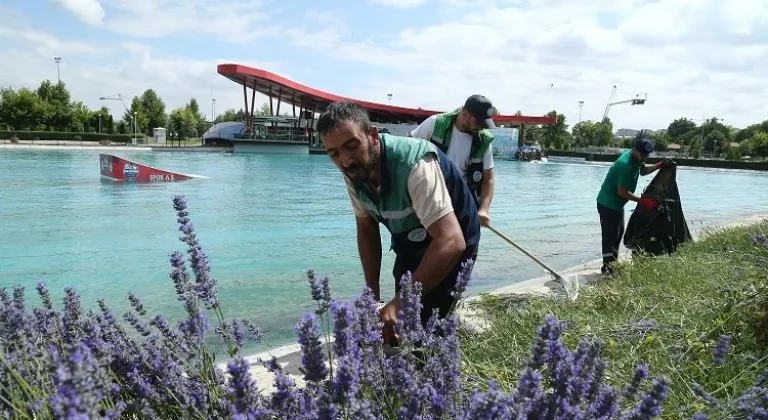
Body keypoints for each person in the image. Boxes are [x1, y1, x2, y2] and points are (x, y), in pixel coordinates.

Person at [316, 101, 480, 342]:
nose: (346, 160)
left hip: (454, 237)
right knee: (393, 325)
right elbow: (366, 229)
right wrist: (372, 297)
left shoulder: (415, 165)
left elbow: (451, 241)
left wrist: (401, 302)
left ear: (372, 135)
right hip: (410, 238)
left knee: (426, 325)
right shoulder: (353, 171)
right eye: (334, 154)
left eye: (352, 146)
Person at [408, 94, 496, 227]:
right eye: (478, 122)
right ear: (465, 114)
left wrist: (484, 209)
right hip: (428, 199)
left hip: (461, 202)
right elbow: (406, 152)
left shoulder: (483, 140)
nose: (481, 127)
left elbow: (488, 179)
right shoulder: (434, 123)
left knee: (463, 245)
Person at [595, 138, 673, 275]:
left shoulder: (636, 159)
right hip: (607, 204)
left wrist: (659, 165)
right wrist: (642, 201)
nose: (645, 157)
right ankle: (606, 267)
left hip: (617, 205)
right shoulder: (625, 165)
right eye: (643, 155)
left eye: (647, 155)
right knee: (609, 236)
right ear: (635, 150)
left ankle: (612, 263)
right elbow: (622, 192)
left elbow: (642, 171)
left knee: (618, 233)